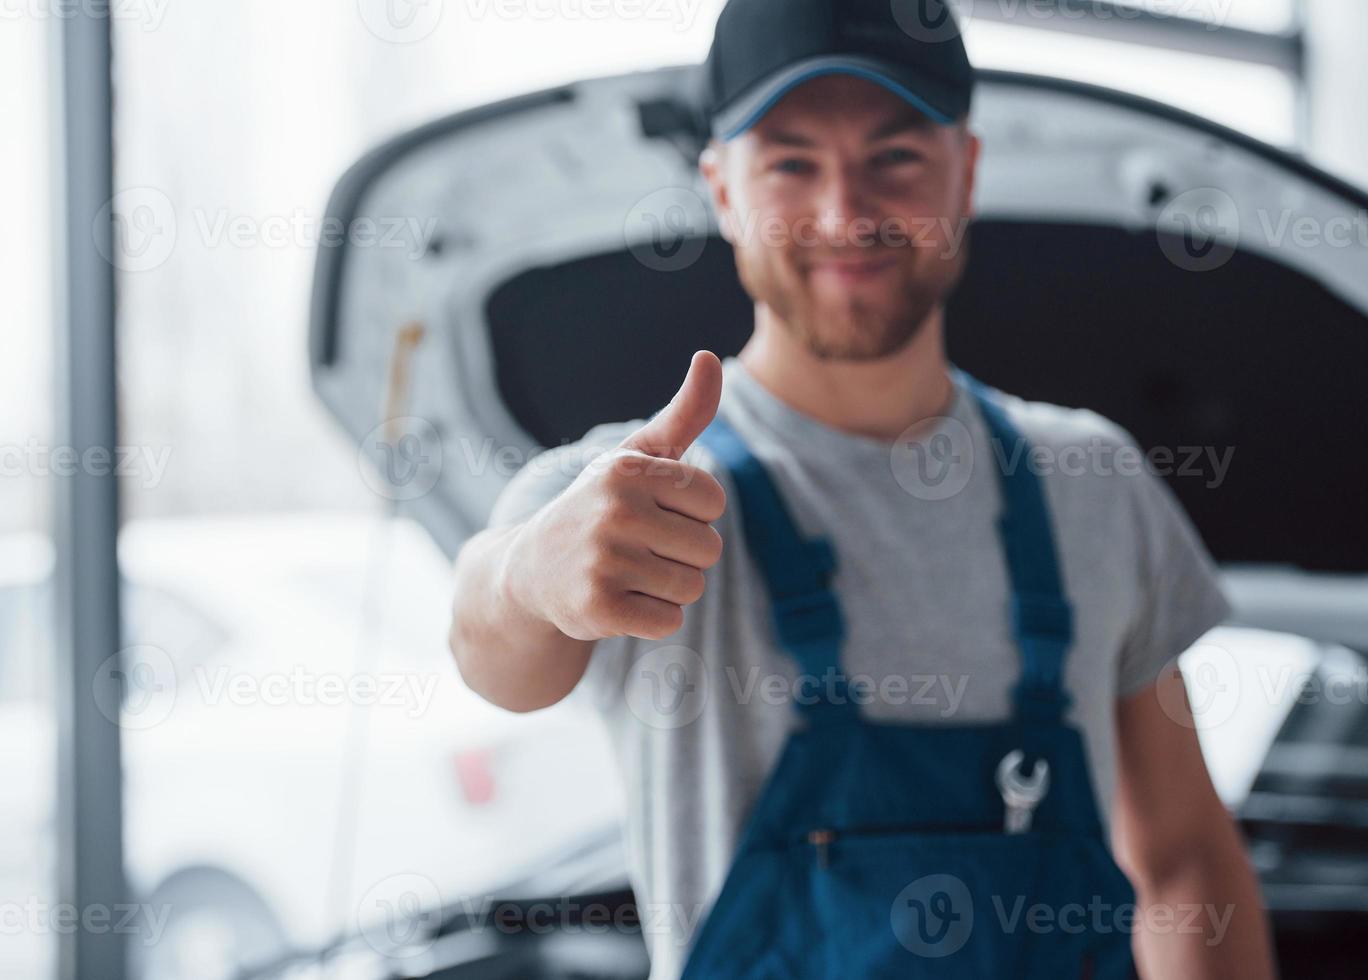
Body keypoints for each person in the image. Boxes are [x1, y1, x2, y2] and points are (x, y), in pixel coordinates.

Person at [449, 1, 1277, 976]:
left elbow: (1181, 854)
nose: (845, 212)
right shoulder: (633, 502)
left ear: (964, 173)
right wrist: (523, 582)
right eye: (791, 164)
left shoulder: (1089, 480)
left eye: (893, 158)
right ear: (720, 188)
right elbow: (490, 647)